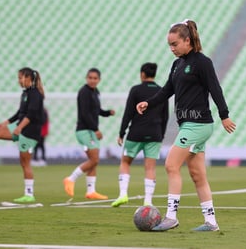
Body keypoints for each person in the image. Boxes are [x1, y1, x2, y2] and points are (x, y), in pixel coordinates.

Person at [136, 19, 236, 232]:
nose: (171, 49)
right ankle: (211, 222)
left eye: (174, 44)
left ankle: (171, 217)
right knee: (197, 175)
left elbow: (215, 89)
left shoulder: (202, 62)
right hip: (189, 125)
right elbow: (166, 91)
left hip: (198, 124)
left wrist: (224, 115)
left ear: (187, 40)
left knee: (171, 165)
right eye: (169, 45)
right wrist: (149, 102)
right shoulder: (177, 64)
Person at [111, 63, 169, 207]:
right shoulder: (161, 91)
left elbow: (128, 113)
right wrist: (161, 134)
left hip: (136, 133)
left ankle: (123, 194)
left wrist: (121, 133)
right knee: (150, 168)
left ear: (142, 74)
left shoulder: (136, 90)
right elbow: (165, 116)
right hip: (155, 133)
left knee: (125, 162)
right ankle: (148, 201)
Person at [63, 68, 115, 200]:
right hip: (84, 130)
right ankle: (70, 179)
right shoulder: (84, 92)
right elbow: (85, 113)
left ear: (99, 80)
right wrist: (96, 129)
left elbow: (96, 110)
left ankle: (91, 191)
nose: (92, 80)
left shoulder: (95, 92)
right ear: (87, 78)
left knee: (94, 161)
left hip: (90, 130)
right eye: (90, 78)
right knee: (94, 159)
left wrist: (107, 113)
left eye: (95, 78)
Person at [12, 67, 45, 203]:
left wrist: (19, 128)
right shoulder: (27, 93)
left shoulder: (34, 94)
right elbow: (21, 111)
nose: (19, 80)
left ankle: (29, 194)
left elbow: (30, 115)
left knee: (26, 163)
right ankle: (28, 193)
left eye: (21, 77)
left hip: (29, 133)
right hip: (26, 131)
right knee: (24, 162)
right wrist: (9, 122)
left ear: (28, 78)